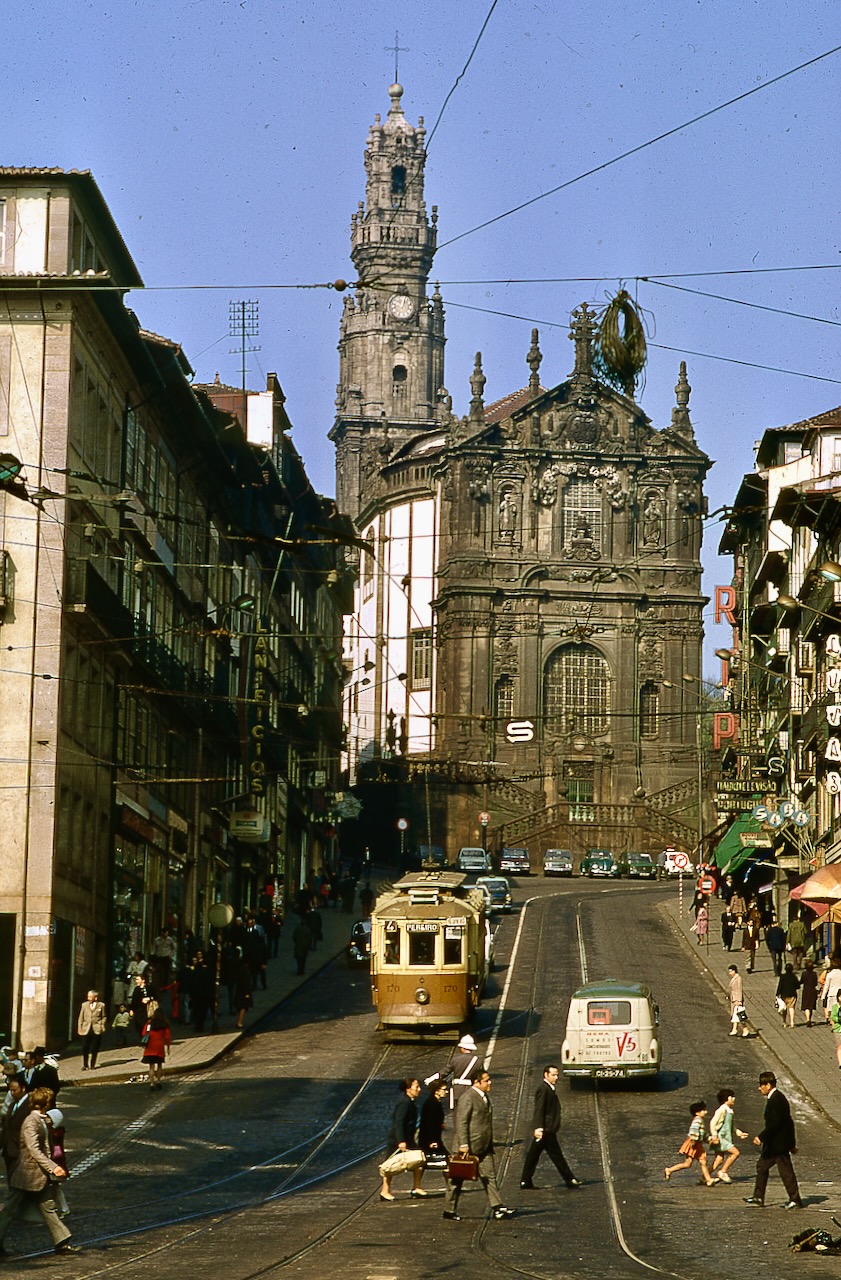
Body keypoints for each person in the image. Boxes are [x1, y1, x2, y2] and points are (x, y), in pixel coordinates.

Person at [0, 1086, 79, 1256]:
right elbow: (34, 1149)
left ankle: (62, 1242)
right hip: (26, 1175)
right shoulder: (31, 1122)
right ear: (46, 1103)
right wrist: (53, 1167)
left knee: (48, 1207)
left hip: (36, 1176)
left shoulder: (40, 1119)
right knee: (9, 1211)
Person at [443, 1068, 515, 1221]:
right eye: (486, 1080)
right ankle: (449, 1210)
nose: (490, 1083)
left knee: (490, 1176)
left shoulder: (484, 1097)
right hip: (468, 1147)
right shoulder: (467, 1097)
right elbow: (461, 1122)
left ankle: (497, 1207)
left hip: (484, 1146)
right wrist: (463, 1144)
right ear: (477, 1082)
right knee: (456, 1180)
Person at [744, 1071, 802, 1209]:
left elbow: (776, 1124)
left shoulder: (777, 1099)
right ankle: (758, 1197)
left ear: (768, 1085)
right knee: (762, 1166)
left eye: (761, 1085)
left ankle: (795, 1200)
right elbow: (788, 1122)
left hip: (778, 1145)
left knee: (786, 1172)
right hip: (774, 1145)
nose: (759, 1088)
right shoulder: (775, 1098)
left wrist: (761, 1137)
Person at [520, 1064, 582, 1190]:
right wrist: (538, 1127)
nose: (556, 1077)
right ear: (546, 1075)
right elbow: (539, 1109)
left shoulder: (549, 1088)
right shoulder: (543, 1089)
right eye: (553, 1075)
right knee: (555, 1156)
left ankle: (525, 1180)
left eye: (557, 1075)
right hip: (546, 1129)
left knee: (534, 1155)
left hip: (547, 1129)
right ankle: (570, 1179)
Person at [379, 1078, 425, 1201]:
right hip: (398, 1139)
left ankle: (416, 1187)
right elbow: (398, 1123)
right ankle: (385, 1191)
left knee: (419, 1160)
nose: (419, 1089)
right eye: (416, 1086)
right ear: (408, 1089)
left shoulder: (410, 1101)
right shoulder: (404, 1103)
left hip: (407, 1138)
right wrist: (401, 1141)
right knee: (389, 1165)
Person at [664, 1101, 717, 1186]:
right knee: (692, 1163)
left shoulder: (700, 1120)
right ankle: (669, 1170)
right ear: (697, 1112)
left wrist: (709, 1139)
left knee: (697, 1162)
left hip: (697, 1143)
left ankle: (708, 1179)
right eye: (703, 1110)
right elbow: (694, 1130)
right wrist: (694, 1139)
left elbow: (702, 1134)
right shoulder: (697, 1120)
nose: (706, 1112)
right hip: (694, 1143)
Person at [709, 1088, 749, 1183]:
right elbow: (712, 1123)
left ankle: (704, 1177)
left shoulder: (729, 1111)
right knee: (735, 1153)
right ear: (726, 1099)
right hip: (720, 1138)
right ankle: (723, 1171)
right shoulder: (722, 1110)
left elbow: (731, 1126)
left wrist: (739, 1133)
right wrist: (714, 1136)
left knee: (718, 1160)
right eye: (731, 1097)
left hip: (725, 1138)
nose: (734, 1099)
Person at [0, 1074, 30, 1183]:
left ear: (23, 1088)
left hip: (20, 1150)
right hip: (9, 1149)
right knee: (12, 1181)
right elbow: (6, 1127)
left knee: (19, 1183)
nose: (12, 1093)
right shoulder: (13, 1105)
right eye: (10, 1091)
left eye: (14, 1090)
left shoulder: (29, 1106)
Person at [418, 1080, 450, 1167]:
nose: (446, 1092)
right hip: (430, 1139)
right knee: (447, 1159)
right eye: (444, 1089)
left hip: (434, 1138)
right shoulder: (431, 1103)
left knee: (422, 1164)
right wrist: (431, 1141)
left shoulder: (436, 1102)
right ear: (436, 1091)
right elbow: (429, 1123)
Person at [76, 989, 107, 1070]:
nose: (88, 998)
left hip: (96, 1029)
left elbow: (104, 1016)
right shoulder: (84, 1005)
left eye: (90, 997)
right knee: (85, 1047)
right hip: (86, 1029)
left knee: (95, 1048)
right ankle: (85, 1065)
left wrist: (101, 1025)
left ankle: (92, 1064)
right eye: (88, 997)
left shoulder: (101, 1005)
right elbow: (80, 1017)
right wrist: (80, 1028)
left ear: (95, 998)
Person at [141, 1008, 171, 1091]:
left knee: (151, 1066)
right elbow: (167, 1037)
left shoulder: (149, 1023)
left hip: (150, 1046)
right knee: (159, 1065)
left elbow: (144, 1033)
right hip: (159, 1046)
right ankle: (158, 1081)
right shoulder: (164, 1024)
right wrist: (168, 1047)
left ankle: (151, 1083)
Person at [449, 1034, 480, 1110]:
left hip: (457, 1091)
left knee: (458, 1113)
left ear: (463, 1048)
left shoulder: (455, 1060)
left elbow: (444, 1072)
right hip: (470, 1090)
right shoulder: (478, 1061)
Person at [232, 948, 254, 1029]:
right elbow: (246, 982)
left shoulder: (240, 968)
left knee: (241, 1007)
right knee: (243, 1007)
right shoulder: (245, 970)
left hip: (240, 990)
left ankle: (239, 1021)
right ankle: (239, 1022)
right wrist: (247, 993)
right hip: (243, 991)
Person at [728, 964, 750, 1037]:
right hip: (734, 999)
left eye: (731, 971)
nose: (729, 973)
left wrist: (739, 1000)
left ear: (734, 971)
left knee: (739, 1015)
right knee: (735, 1016)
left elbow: (739, 990)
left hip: (737, 999)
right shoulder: (734, 978)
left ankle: (745, 1029)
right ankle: (734, 1029)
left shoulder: (738, 978)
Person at [776, 963, 800, 1029]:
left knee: (784, 1008)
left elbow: (780, 986)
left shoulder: (783, 977)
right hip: (792, 994)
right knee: (791, 1008)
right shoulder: (794, 977)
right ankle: (792, 1022)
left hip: (784, 995)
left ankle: (784, 1022)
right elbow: (798, 986)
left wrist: (777, 993)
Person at [820, 958, 841, 1023]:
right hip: (840, 993)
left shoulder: (830, 974)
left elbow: (826, 985)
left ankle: (833, 1024)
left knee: (832, 1010)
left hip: (832, 993)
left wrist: (823, 995)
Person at [800, 958, 819, 1027]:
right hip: (812, 991)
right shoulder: (814, 974)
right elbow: (816, 983)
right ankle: (809, 1018)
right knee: (811, 1006)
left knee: (806, 1006)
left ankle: (808, 1019)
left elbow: (801, 981)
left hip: (806, 991)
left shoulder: (804, 974)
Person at [830, 988, 841, 1067]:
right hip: (838, 1029)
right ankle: (840, 1062)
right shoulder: (835, 1006)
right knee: (839, 1046)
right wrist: (839, 1019)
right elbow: (833, 1016)